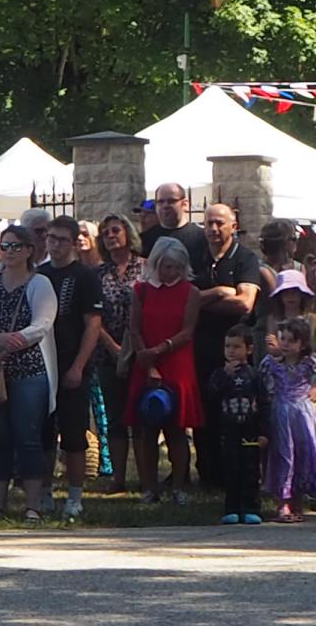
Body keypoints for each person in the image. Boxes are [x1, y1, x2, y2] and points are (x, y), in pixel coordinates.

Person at [0, 223, 58, 520]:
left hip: (29, 369)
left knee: (27, 435)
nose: (9, 252)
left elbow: (42, 324)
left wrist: (8, 345)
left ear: (30, 250)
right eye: (4, 246)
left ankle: (32, 505)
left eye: (16, 246)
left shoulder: (39, 283)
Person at [126, 235, 202, 504]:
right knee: (147, 428)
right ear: (156, 263)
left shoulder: (190, 292)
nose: (171, 272)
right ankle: (149, 486)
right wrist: (146, 358)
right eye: (166, 266)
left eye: (176, 267)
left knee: (176, 429)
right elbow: (134, 328)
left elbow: (187, 331)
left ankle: (179, 486)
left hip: (177, 363)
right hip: (146, 363)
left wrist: (159, 351)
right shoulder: (141, 290)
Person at [39, 215, 103, 520]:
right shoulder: (39, 274)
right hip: (41, 364)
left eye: (61, 239)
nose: (55, 244)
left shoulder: (85, 276)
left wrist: (78, 365)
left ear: (74, 241)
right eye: (50, 238)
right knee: (43, 433)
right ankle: (45, 491)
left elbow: (93, 324)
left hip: (72, 362)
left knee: (74, 433)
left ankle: (75, 496)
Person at [192, 203, 261, 486]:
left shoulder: (245, 258)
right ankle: (210, 475)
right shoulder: (196, 258)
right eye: (209, 223)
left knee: (240, 412)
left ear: (234, 226)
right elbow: (186, 300)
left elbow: (245, 302)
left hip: (238, 349)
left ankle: (243, 475)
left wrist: (202, 301)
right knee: (205, 412)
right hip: (203, 348)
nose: (213, 229)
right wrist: (219, 292)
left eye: (220, 223)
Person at [262, 315, 316, 522]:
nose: (285, 344)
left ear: (302, 344)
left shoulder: (309, 361)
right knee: (284, 454)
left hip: (302, 413)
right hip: (281, 412)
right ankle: (283, 502)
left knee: (303, 452)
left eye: (291, 340)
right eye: (282, 339)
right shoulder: (272, 363)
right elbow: (261, 380)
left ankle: (298, 501)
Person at [93, 214, 144, 494]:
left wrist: (135, 346)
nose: (111, 236)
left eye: (116, 230)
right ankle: (119, 478)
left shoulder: (146, 268)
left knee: (141, 416)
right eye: (105, 232)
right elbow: (93, 314)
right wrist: (112, 346)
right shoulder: (98, 274)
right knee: (115, 416)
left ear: (128, 233)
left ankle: (146, 476)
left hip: (141, 351)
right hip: (107, 352)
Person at [208, 325, 267, 525]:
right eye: (227, 346)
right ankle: (231, 508)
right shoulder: (219, 374)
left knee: (250, 470)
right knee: (230, 470)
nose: (231, 351)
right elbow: (212, 396)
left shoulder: (255, 375)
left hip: (250, 431)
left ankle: (250, 507)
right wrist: (225, 375)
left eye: (236, 346)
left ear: (248, 349)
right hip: (228, 431)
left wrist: (264, 432)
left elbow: (264, 404)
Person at [141, 183, 209, 272]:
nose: (165, 206)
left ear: (185, 204)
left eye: (171, 201)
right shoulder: (145, 239)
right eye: (160, 202)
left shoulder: (203, 236)